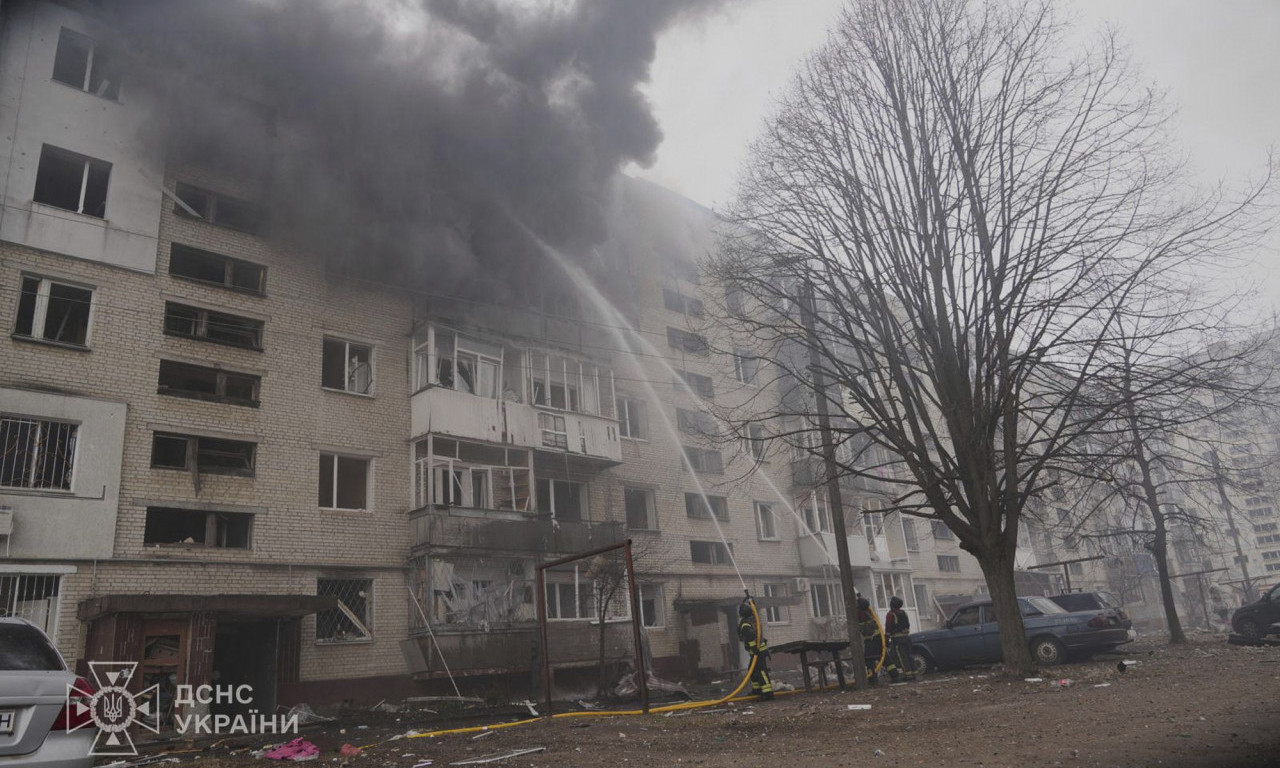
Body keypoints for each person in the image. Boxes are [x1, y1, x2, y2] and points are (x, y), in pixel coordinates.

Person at [737, 600, 774, 699]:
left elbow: (750, 636)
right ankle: (757, 690)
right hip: (757, 651)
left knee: (760, 671)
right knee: (752, 671)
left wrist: (753, 648)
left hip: (759, 652)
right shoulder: (752, 620)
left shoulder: (745, 625)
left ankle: (768, 693)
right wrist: (750, 601)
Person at [883, 596, 915, 682]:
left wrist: (886, 638)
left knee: (902, 657)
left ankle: (908, 675)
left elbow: (888, 627)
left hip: (897, 639)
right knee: (909, 655)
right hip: (906, 637)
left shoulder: (890, 614)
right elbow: (907, 624)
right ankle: (914, 673)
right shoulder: (904, 613)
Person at [857, 596, 884, 685]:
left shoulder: (861, 614)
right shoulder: (869, 613)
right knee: (884, 657)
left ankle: (872, 678)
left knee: (868, 659)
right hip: (878, 637)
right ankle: (895, 675)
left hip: (871, 639)